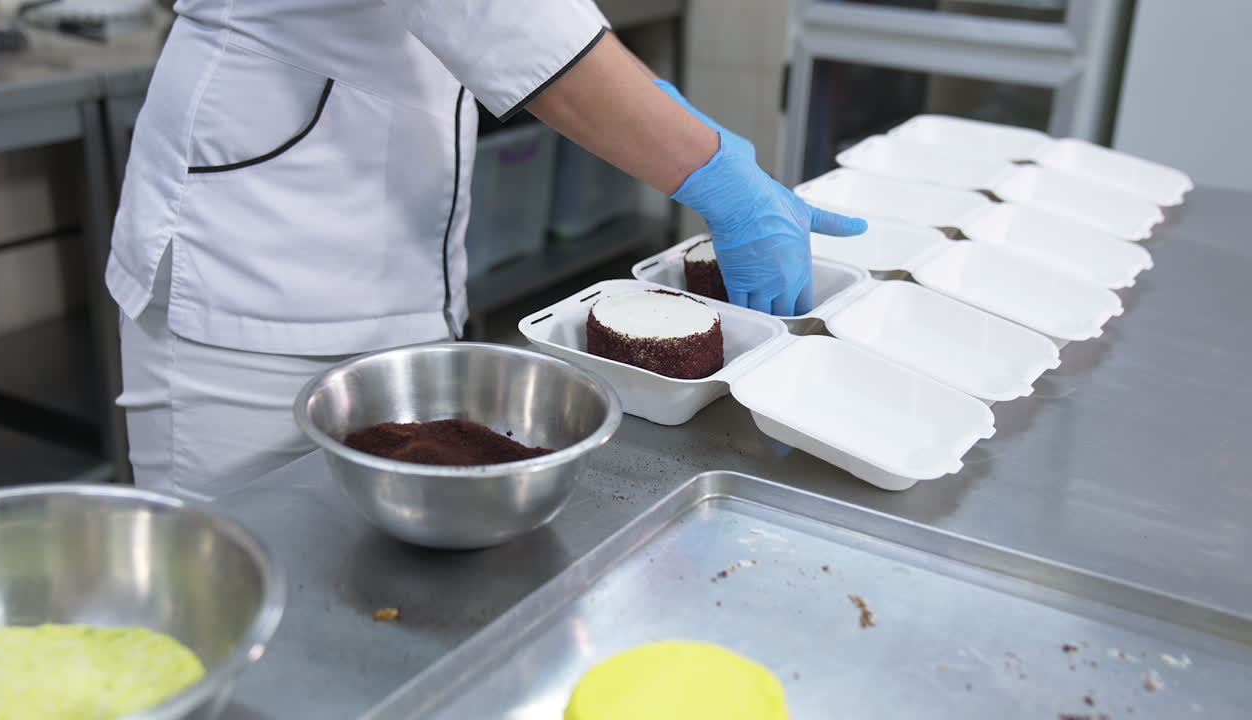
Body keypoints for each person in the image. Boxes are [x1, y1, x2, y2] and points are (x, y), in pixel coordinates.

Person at [108, 1, 867, 501]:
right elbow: (510, 20)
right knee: (234, 568)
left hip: (383, 241)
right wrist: (722, 174)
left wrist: (666, 113)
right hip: (253, 260)